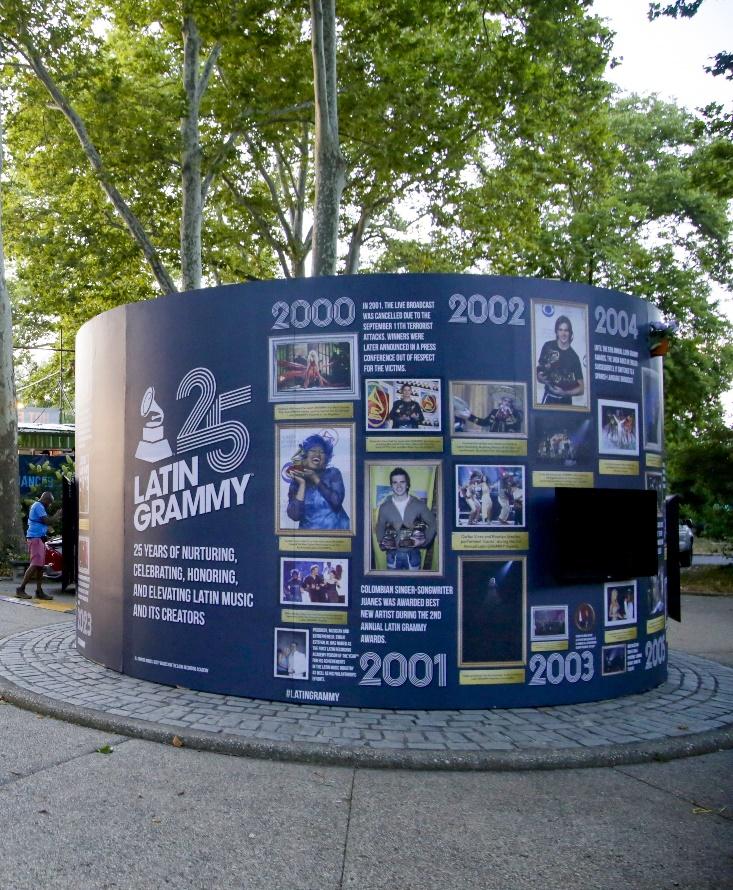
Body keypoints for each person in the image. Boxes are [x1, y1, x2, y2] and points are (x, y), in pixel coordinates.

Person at [376, 467, 436, 571]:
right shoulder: (384, 507)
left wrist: (423, 541)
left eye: (402, 482)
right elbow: (380, 525)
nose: (398, 486)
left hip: (413, 556)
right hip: (392, 556)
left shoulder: (419, 505)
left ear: (407, 484)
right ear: (391, 485)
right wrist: (382, 542)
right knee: (393, 585)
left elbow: (433, 524)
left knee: (413, 585)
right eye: (395, 482)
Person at [286, 434, 350, 530]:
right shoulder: (297, 481)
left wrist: (315, 478)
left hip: (337, 534)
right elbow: (295, 516)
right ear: (305, 456)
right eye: (313, 450)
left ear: (326, 458)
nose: (317, 454)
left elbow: (336, 503)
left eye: (322, 452)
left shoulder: (333, 473)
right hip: (309, 538)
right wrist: (302, 484)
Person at [16, 491, 59, 601]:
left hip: (38, 539)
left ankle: (39, 591)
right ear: (45, 500)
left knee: (39, 566)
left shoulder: (39, 507)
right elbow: (48, 521)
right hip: (35, 539)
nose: (49, 505)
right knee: (35, 564)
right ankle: (20, 589)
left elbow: (44, 523)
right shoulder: (38, 506)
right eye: (49, 502)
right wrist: (58, 514)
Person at [536, 315, 584, 406]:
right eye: (560, 330)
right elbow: (539, 373)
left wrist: (564, 393)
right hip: (548, 398)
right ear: (556, 332)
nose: (563, 333)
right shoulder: (547, 346)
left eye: (566, 330)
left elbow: (581, 389)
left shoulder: (574, 357)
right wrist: (541, 379)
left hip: (566, 401)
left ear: (570, 333)